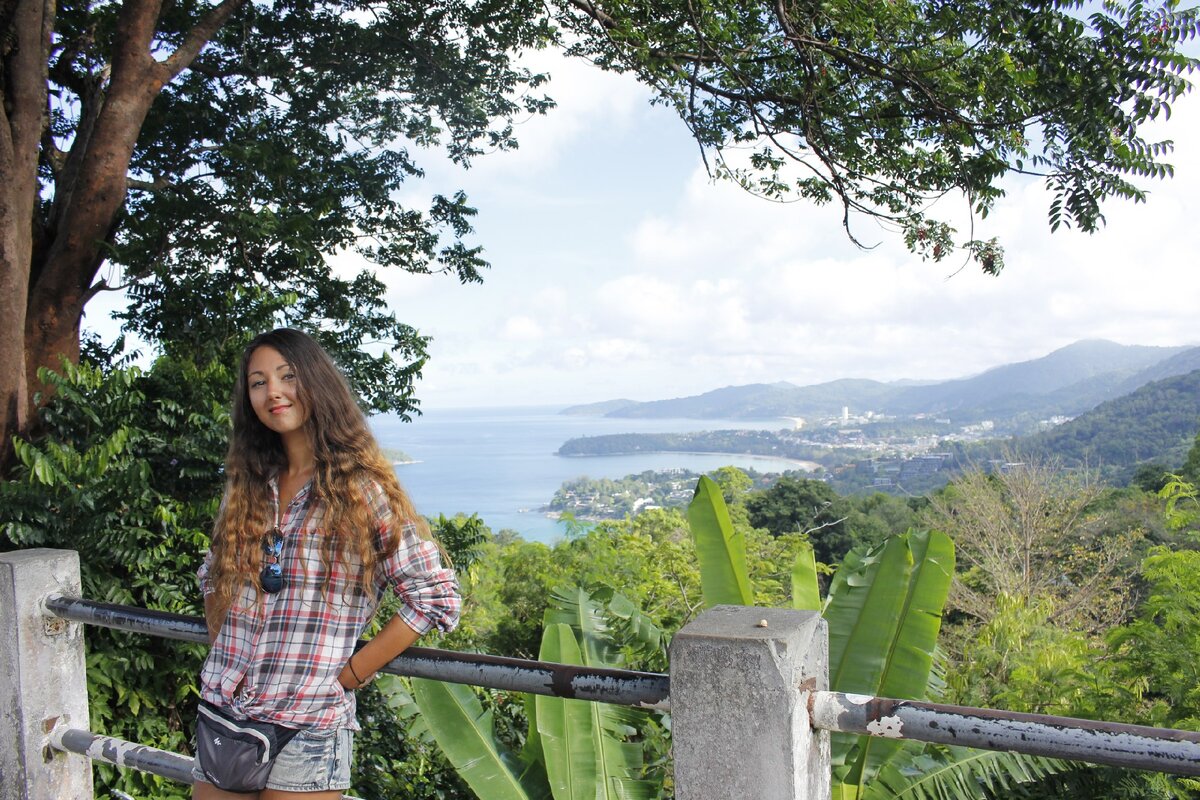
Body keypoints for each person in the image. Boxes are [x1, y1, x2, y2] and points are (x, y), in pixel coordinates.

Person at [193, 328, 460, 799]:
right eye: (258, 382)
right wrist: (225, 648)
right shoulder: (250, 484)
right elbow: (214, 576)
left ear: (316, 382)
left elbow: (433, 595)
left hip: (309, 726)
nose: (272, 391)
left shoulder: (360, 489)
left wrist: (350, 675)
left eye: (287, 376)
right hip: (227, 714)